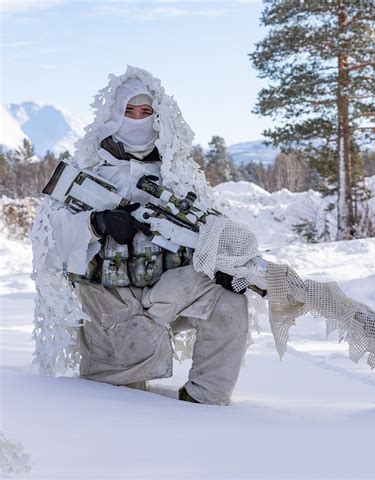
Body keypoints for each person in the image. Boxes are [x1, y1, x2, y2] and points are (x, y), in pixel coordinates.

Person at [43, 67, 249, 405]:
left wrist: (223, 265)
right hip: (109, 302)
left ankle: (206, 402)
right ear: (114, 114)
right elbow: (51, 246)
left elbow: (207, 229)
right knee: (120, 401)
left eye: (146, 112)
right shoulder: (87, 173)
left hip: (163, 292)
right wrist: (98, 223)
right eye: (129, 111)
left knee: (227, 301)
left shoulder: (177, 176)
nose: (137, 121)